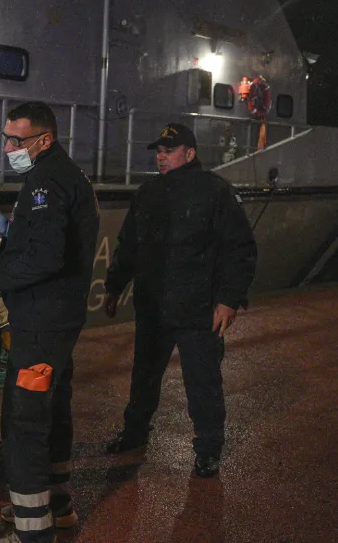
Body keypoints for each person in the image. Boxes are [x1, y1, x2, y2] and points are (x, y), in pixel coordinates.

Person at [102, 123, 257, 478]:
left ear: (190, 153)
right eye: (158, 150)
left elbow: (240, 249)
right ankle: (135, 433)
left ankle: (207, 448)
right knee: (143, 376)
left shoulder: (215, 192)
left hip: (198, 308)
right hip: (154, 304)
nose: (161, 157)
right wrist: (114, 285)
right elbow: (130, 245)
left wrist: (229, 300)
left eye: (168, 150)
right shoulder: (148, 193)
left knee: (202, 381)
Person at [0, 101, 99, 543]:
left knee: (25, 421)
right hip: (57, 321)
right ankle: (61, 509)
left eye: (17, 140)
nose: (9, 147)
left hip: (40, 322)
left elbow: (46, 256)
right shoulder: (65, 174)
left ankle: (33, 532)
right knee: (53, 411)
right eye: (6, 138)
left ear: (44, 140)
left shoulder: (45, 181)